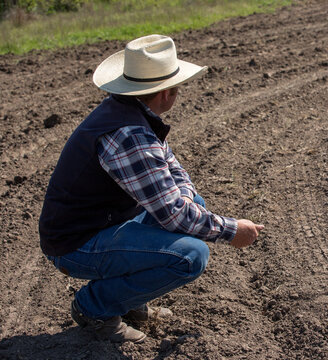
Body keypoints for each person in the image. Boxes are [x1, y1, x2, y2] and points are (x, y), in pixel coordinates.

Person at [39, 34, 264, 343]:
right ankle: (95, 307)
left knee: (190, 206)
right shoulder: (130, 134)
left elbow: (173, 171)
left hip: (104, 224)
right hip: (76, 244)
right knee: (190, 256)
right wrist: (231, 230)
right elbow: (174, 216)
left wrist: (187, 200)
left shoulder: (131, 112)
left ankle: (129, 300)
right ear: (167, 93)